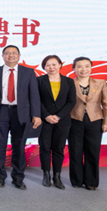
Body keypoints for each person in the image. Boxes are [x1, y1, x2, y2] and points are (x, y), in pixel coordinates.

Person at [0, 45, 41, 190]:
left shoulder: (28, 72)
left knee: (19, 146)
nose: (11, 55)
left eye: (14, 53)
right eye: (7, 53)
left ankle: (18, 177)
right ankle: (0, 176)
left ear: (19, 55)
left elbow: (34, 95)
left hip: (21, 113)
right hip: (1, 112)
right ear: (2, 56)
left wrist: (36, 115)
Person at [69, 57, 107, 190]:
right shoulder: (69, 83)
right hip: (74, 120)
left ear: (91, 68)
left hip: (95, 120)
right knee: (75, 151)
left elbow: (106, 103)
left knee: (93, 151)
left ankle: (91, 182)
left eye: (87, 66)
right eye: (79, 66)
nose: (84, 69)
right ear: (74, 69)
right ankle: (76, 180)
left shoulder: (100, 83)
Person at [37, 55, 76, 189]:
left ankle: (57, 176)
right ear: (44, 67)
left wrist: (58, 116)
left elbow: (71, 101)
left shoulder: (69, 81)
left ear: (60, 65)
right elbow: (36, 100)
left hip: (63, 120)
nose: (51, 67)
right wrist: (47, 115)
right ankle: (46, 174)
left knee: (59, 148)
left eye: (54, 64)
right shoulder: (39, 81)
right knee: (45, 148)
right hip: (44, 120)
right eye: (48, 65)